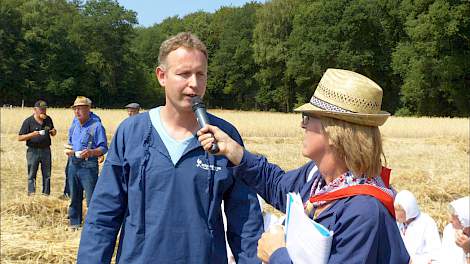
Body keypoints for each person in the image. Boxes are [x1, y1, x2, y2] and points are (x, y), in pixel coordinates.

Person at [77, 32, 263, 263]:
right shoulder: (131, 133)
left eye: (200, 74)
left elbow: (245, 221)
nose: (194, 84)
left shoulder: (225, 137)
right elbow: (103, 215)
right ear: (161, 76)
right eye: (184, 74)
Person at [198, 68, 410, 263]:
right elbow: (278, 185)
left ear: (335, 132)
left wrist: (277, 254)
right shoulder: (316, 177)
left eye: (309, 117)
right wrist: (233, 151)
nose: (303, 124)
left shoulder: (363, 212)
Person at [65, 96, 108, 229]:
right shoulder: (74, 124)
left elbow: (103, 148)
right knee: (74, 196)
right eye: (75, 109)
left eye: (80, 109)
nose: (77, 112)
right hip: (73, 163)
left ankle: (93, 225)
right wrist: (69, 149)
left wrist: (91, 152)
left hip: (88, 165)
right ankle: (74, 223)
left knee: (91, 198)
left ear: (88, 109)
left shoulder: (97, 126)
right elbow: (71, 142)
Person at [18, 100, 57, 196]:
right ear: (35, 110)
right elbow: (20, 137)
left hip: (46, 150)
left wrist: (53, 131)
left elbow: (53, 132)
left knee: (47, 175)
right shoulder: (28, 121)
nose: (43, 111)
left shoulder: (48, 120)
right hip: (33, 151)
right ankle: (31, 195)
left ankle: (46, 195)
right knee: (32, 175)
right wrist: (32, 134)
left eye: (45, 109)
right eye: (41, 109)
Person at [394, 190, 441, 263]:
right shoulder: (397, 223)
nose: (395, 213)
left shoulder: (426, 223)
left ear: (408, 210)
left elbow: (435, 254)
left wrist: (415, 261)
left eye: (398, 210)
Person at [440, 196, 470, 264]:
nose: (450, 220)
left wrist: (468, 251)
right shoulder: (449, 230)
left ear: (465, 220)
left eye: (454, 217)